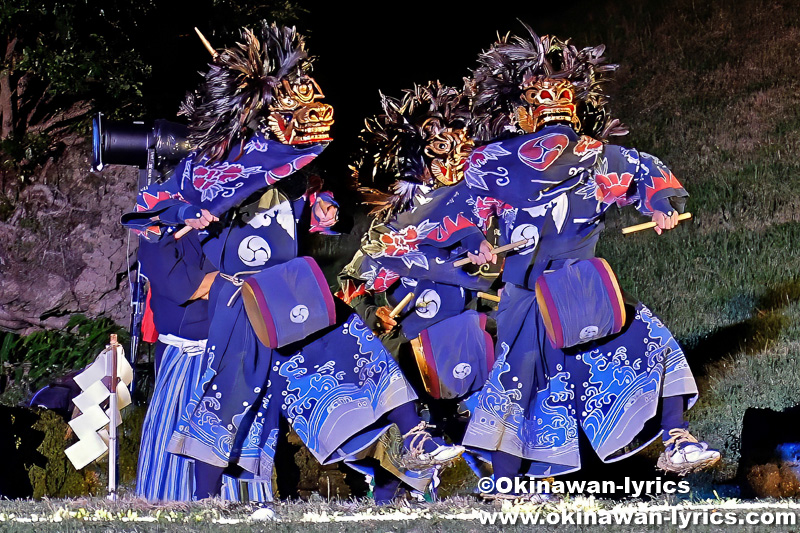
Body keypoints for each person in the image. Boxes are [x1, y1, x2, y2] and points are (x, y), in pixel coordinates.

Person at [122, 22, 462, 502]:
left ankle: (411, 436)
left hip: (277, 298)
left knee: (346, 335)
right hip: (224, 317)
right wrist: (205, 246)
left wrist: (317, 210)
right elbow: (170, 251)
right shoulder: (195, 183)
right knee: (231, 398)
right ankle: (199, 501)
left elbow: (287, 216)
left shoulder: (273, 177)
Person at [368, 25, 719, 488]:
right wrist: (475, 239)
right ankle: (503, 483)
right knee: (522, 383)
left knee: (647, 340)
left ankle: (676, 439)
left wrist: (658, 204)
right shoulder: (493, 161)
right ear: (525, 115)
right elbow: (459, 212)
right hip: (528, 296)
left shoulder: (592, 156)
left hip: (581, 287)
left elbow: (643, 171)